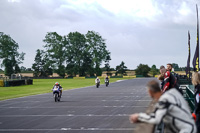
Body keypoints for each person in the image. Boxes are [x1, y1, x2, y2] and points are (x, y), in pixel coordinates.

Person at [129, 80, 197, 133]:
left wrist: (139, 116)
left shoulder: (164, 100)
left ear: (150, 92)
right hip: (189, 127)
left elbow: (156, 119)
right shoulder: (171, 93)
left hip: (186, 130)